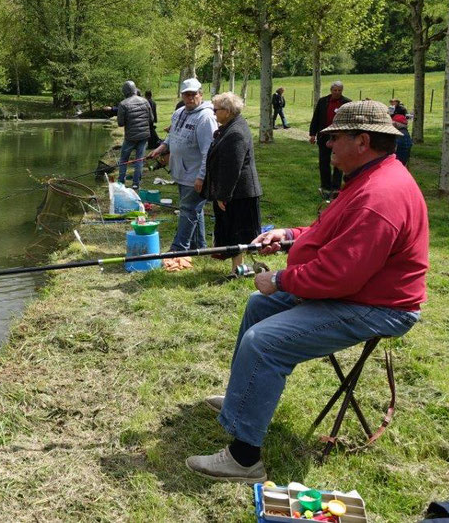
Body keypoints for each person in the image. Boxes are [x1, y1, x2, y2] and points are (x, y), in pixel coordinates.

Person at [185, 100, 428, 482]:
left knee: (263, 341)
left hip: (379, 305)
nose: (327, 144)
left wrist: (280, 280)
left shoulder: (380, 195)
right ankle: (240, 403)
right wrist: (288, 237)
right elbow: (327, 233)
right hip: (356, 291)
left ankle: (244, 459)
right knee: (257, 306)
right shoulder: (368, 177)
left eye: (335, 138)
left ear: (362, 141)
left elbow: (341, 276)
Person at [147, 78, 218, 270]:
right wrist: (161, 148)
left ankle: (179, 249)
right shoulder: (179, 112)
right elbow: (172, 136)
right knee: (194, 210)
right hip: (180, 172)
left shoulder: (206, 118)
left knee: (188, 209)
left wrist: (201, 177)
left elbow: (208, 152)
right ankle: (199, 247)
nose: (190, 98)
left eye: (193, 94)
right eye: (186, 94)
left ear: (201, 94)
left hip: (195, 174)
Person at [203, 92, 262, 276]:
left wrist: (223, 195)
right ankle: (239, 268)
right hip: (236, 191)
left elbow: (232, 168)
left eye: (216, 110)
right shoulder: (230, 127)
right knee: (233, 231)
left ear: (227, 111)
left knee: (238, 232)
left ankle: (239, 270)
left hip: (240, 193)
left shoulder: (235, 132)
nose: (214, 113)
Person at [309, 81, 351, 197]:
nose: (337, 92)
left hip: (339, 136)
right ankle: (325, 186)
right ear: (331, 90)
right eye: (335, 90)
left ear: (342, 91)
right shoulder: (323, 101)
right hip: (324, 135)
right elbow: (316, 118)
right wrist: (312, 134)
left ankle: (336, 186)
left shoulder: (347, 103)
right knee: (324, 161)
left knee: (339, 161)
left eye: (339, 90)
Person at [115, 80, 152, 189]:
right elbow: (151, 119)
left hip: (130, 137)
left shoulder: (123, 104)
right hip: (144, 136)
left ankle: (121, 182)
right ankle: (136, 184)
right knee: (139, 160)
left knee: (123, 159)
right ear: (135, 89)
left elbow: (120, 123)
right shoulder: (145, 101)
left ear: (125, 91)